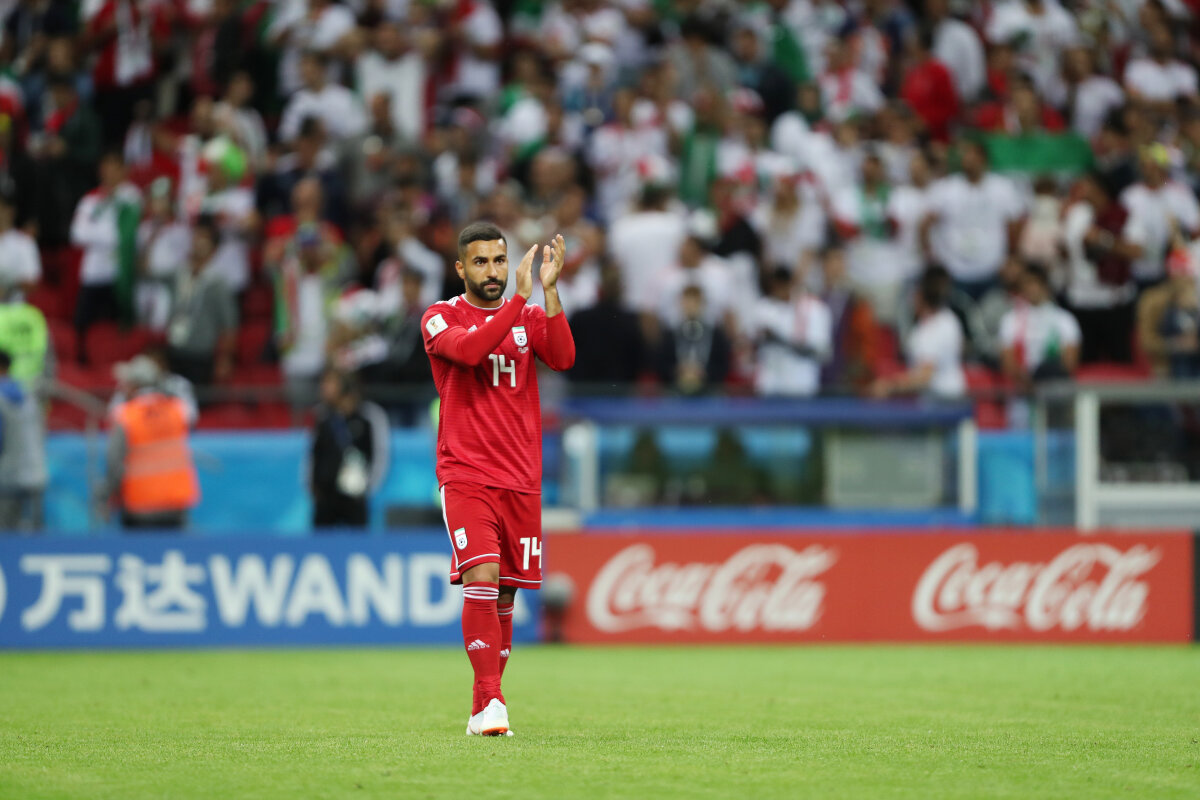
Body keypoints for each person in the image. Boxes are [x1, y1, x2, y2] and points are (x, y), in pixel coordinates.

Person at [421, 222, 575, 737]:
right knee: (482, 576)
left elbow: (563, 358)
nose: (493, 271)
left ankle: (480, 706)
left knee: (506, 594)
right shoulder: (440, 317)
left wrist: (549, 292)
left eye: (500, 260)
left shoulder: (528, 315)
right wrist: (519, 303)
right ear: (461, 268)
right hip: (466, 473)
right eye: (481, 262)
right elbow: (469, 352)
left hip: (521, 477)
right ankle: (493, 700)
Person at [102, 356, 199, 530]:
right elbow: (191, 416)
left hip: (139, 506)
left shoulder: (125, 416)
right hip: (176, 504)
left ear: (135, 385)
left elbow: (114, 463)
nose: (123, 388)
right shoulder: (178, 410)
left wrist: (107, 495)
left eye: (126, 384)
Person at [308, 369, 388, 529]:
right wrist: (313, 486)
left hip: (355, 496)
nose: (323, 387)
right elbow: (313, 454)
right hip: (325, 496)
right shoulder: (321, 416)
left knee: (358, 542)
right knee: (320, 541)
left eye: (329, 383)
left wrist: (367, 487)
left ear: (344, 386)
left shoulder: (369, 416)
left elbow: (380, 455)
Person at [165, 217, 237, 390]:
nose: (198, 243)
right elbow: (145, 272)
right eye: (196, 237)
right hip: (175, 349)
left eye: (204, 239)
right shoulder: (179, 274)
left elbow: (230, 324)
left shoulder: (217, 282)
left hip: (200, 355)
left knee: (197, 400)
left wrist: (224, 359)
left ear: (213, 248)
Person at [870, 271, 965, 400]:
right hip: (956, 396)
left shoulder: (927, 333)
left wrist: (889, 387)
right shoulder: (951, 319)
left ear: (920, 296)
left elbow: (924, 377)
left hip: (939, 402)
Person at [999, 264, 1082, 390]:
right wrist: (1027, 382)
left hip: (1055, 387)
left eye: (1034, 283)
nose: (1030, 289)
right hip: (1022, 389)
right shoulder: (1010, 320)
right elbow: (1008, 362)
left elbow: (1070, 362)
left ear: (1045, 286)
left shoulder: (1064, 319)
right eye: (1026, 284)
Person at [0, 349, 47, 532]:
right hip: (35, 472)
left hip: (6, 476)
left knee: (6, 537)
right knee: (34, 538)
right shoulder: (28, 396)